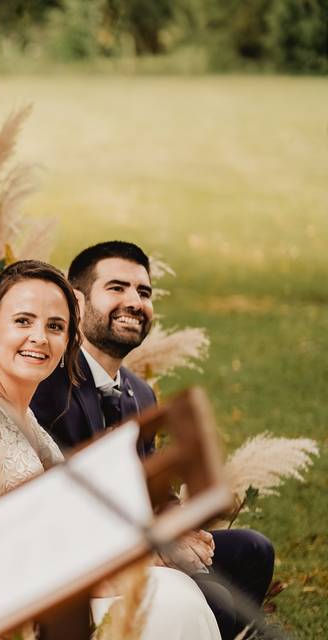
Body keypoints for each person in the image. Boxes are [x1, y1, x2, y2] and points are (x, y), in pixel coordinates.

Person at [30, 241, 276, 640]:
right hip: (85, 562)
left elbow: (155, 489)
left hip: (144, 538)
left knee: (253, 550)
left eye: (143, 292)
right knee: (213, 597)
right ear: (76, 302)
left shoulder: (139, 392)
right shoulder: (48, 386)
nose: (134, 302)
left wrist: (180, 526)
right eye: (117, 288)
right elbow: (60, 510)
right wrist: (152, 546)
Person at [0, 260, 221, 640]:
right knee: (173, 599)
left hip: (60, 594)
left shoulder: (27, 422)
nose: (39, 337)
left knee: (176, 593)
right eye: (23, 321)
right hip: (19, 615)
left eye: (55, 326)